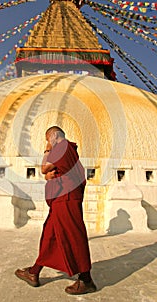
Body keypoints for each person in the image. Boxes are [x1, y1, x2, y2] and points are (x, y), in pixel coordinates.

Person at [15, 126, 96, 295]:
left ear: (54, 136)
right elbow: (53, 172)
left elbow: (44, 168)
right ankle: (34, 272)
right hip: (62, 199)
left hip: (66, 199)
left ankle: (86, 280)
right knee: (49, 235)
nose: (47, 143)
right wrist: (49, 176)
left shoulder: (62, 147)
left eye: (47, 139)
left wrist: (46, 150)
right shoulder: (67, 151)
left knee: (74, 234)